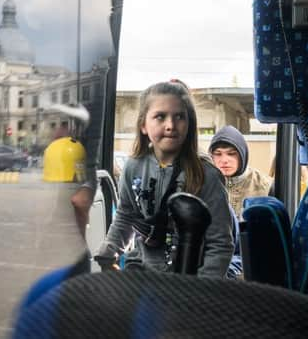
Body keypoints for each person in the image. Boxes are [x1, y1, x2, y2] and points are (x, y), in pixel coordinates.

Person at [95, 81, 234, 278]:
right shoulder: (133, 167)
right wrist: (108, 253)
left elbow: (220, 243)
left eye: (179, 117)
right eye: (160, 116)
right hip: (143, 273)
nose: (170, 125)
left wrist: (203, 289)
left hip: (191, 279)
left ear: (190, 124)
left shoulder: (206, 174)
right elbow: (127, 216)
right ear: (143, 125)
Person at [209, 125, 273, 217]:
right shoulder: (204, 184)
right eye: (218, 154)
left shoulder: (266, 186)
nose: (224, 160)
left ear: (242, 154)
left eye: (231, 154)